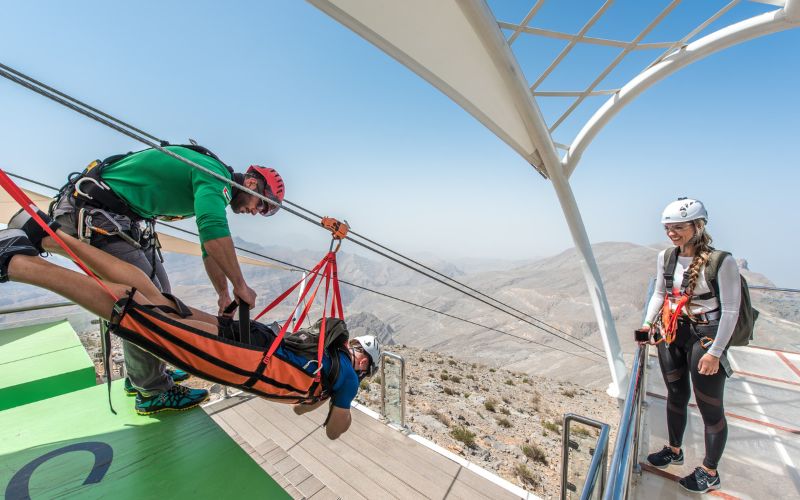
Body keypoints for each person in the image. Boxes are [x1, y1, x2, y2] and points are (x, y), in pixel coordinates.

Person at [0, 215, 378, 438]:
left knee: (154, 298)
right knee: (139, 314)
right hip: (243, 358)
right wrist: (343, 397)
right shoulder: (346, 375)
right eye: (366, 368)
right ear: (363, 363)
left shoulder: (325, 354)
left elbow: (298, 406)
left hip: (253, 338)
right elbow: (333, 429)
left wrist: (317, 397)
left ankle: (45, 234)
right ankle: (16, 261)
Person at [39, 144, 285, 413]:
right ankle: (152, 390)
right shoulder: (216, 178)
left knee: (163, 297)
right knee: (146, 307)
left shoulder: (212, 177)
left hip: (116, 216)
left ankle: (142, 373)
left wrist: (224, 295)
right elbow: (212, 230)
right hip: (97, 214)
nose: (257, 211)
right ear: (251, 183)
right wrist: (240, 286)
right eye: (262, 203)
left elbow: (208, 248)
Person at [640, 198, 741, 494]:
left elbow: (731, 311)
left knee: (710, 406)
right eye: (668, 228)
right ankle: (674, 450)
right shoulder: (666, 257)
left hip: (705, 336)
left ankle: (710, 471)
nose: (672, 233)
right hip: (673, 332)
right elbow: (660, 293)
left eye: (678, 227)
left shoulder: (722, 262)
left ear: (698, 226)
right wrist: (645, 328)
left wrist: (715, 353)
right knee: (676, 394)